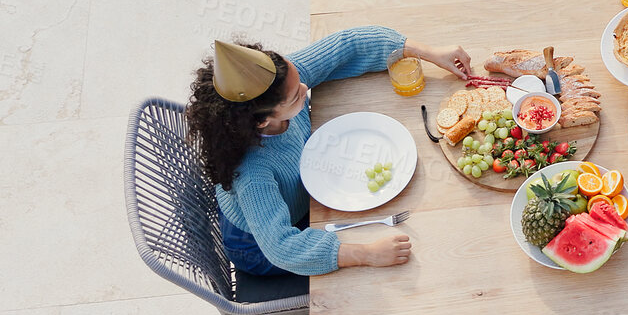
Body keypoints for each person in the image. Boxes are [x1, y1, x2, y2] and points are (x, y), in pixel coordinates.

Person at [185, 30, 471, 276]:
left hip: (306, 196)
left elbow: (348, 44)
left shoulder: (277, 86)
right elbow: (281, 248)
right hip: (259, 246)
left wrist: (427, 53)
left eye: (299, 81)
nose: (305, 88)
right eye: (297, 96)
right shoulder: (252, 175)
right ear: (261, 121)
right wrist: (366, 254)